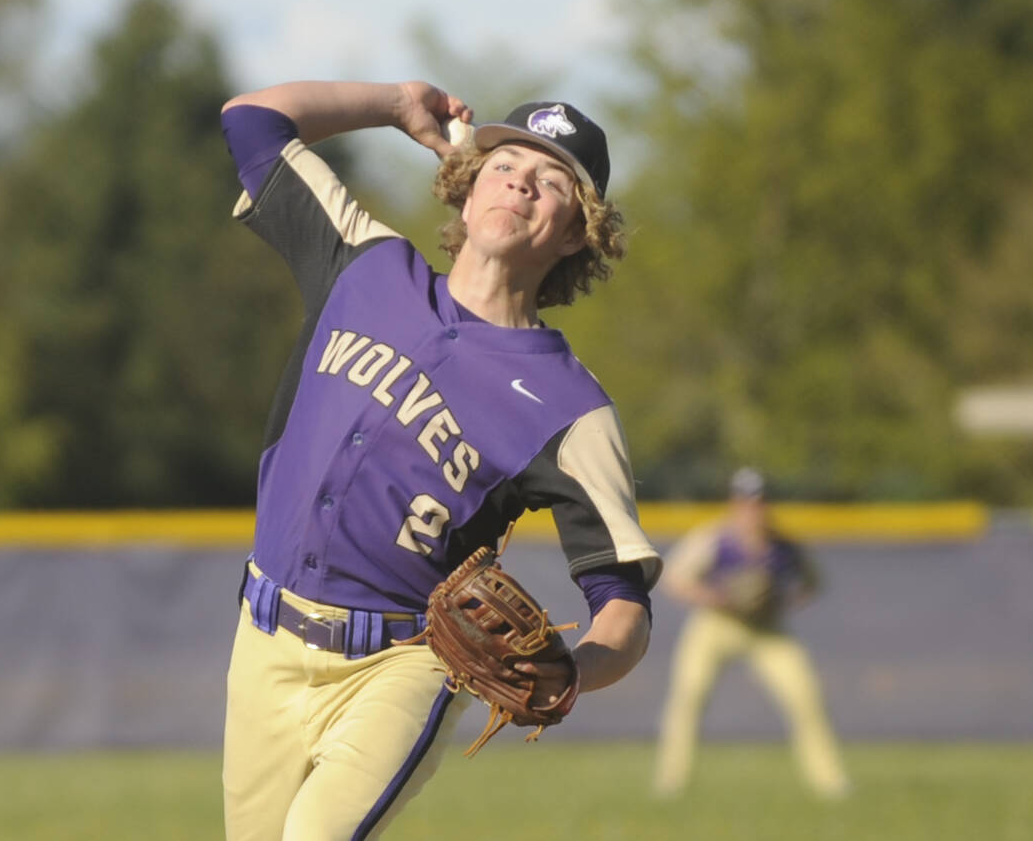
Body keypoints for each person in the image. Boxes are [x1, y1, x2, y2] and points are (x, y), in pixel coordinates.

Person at [218, 80, 662, 840]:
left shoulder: (569, 406)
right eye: (506, 163)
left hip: (401, 666)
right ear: (466, 185)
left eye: (554, 181)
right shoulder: (363, 262)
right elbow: (253, 121)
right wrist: (393, 105)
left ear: (574, 236)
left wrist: (574, 673)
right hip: (261, 639)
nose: (522, 179)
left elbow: (623, 602)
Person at [652, 467, 850, 799]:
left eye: (758, 501)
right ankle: (671, 782)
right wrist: (713, 596)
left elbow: (813, 583)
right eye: (745, 501)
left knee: (805, 696)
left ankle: (829, 783)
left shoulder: (783, 545)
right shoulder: (716, 539)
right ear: (734, 503)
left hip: (766, 628)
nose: (752, 509)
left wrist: (783, 600)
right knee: (689, 695)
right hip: (716, 624)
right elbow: (673, 577)